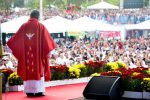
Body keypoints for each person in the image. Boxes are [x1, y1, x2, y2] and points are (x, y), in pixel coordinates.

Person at [7, 10, 56, 97]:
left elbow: (15, 40)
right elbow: (47, 42)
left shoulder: (23, 26)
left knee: (27, 69)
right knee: (38, 69)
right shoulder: (41, 26)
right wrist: (49, 52)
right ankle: (38, 91)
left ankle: (29, 92)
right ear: (38, 17)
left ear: (30, 16)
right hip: (38, 57)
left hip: (26, 57)